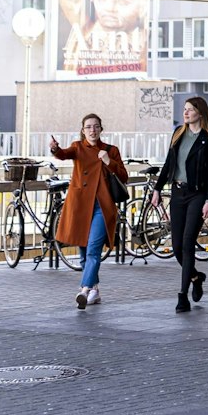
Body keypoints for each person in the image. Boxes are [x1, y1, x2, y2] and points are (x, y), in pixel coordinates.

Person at [49, 114, 129, 309]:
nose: (92, 130)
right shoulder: (77, 147)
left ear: (101, 129)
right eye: (88, 127)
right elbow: (63, 154)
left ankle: (84, 290)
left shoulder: (111, 150)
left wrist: (109, 161)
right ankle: (95, 291)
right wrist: (54, 149)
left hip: (102, 206)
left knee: (93, 250)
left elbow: (124, 176)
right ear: (83, 130)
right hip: (80, 206)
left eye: (96, 127)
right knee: (84, 254)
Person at [156, 97, 208, 313]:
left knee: (187, 243)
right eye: (184, 109)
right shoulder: (178, 134)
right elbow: (168, 164)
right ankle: (195, 276)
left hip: (197, 195)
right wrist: (157, 188)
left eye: (190, 110)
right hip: (177, 193)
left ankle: (182, 296)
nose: (186, 113)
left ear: (200, 113)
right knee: (176, 247)